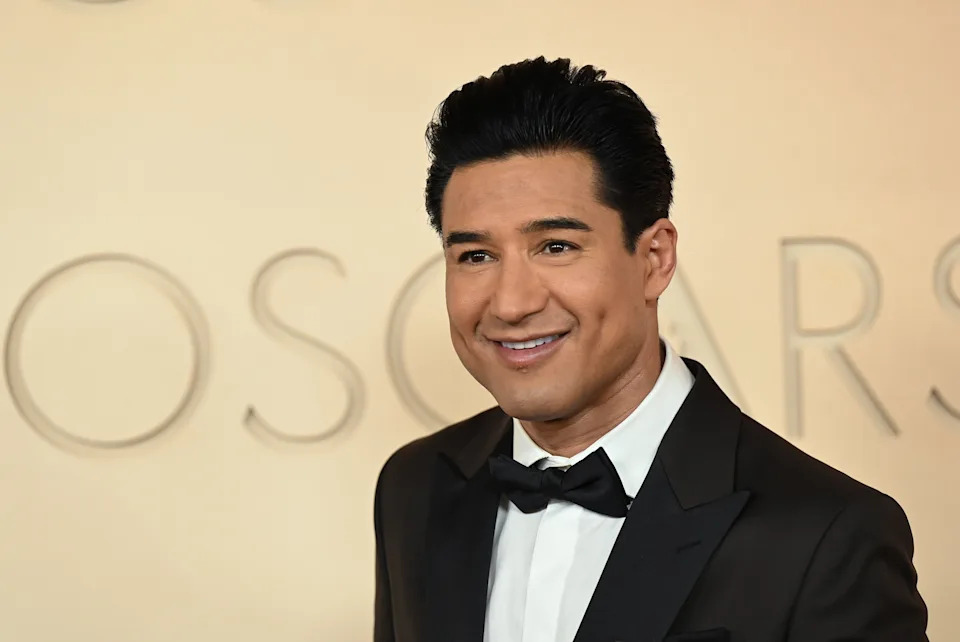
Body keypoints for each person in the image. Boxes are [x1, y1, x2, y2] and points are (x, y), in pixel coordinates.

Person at [372, 56, 927, 642]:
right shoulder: (414, 488)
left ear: (655, 259)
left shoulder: (827, 537)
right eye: (476, 256)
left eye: (556, 246)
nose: (511, 303)